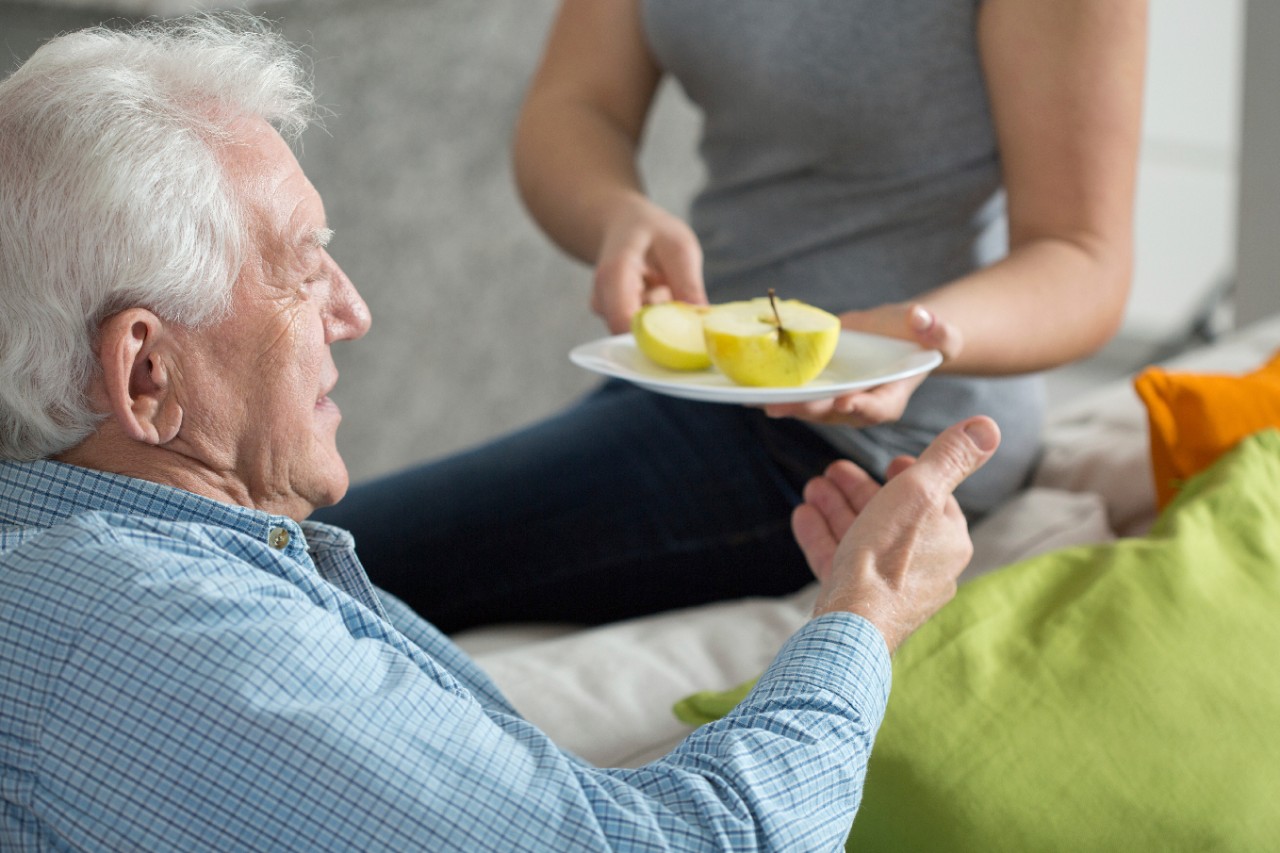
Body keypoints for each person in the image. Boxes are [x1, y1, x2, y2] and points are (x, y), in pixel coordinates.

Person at [0, 14, 1003, 850]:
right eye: (303, 265)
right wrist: (865, 615)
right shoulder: (188, 641)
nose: (352, 310)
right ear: (145, 371)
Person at [313, 0, 1147, 633]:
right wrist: (615, 214)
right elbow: (577, 106)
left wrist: (915, 340)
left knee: (319, 558)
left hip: (875, 440)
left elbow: (1082, 257)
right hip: (698, 387)